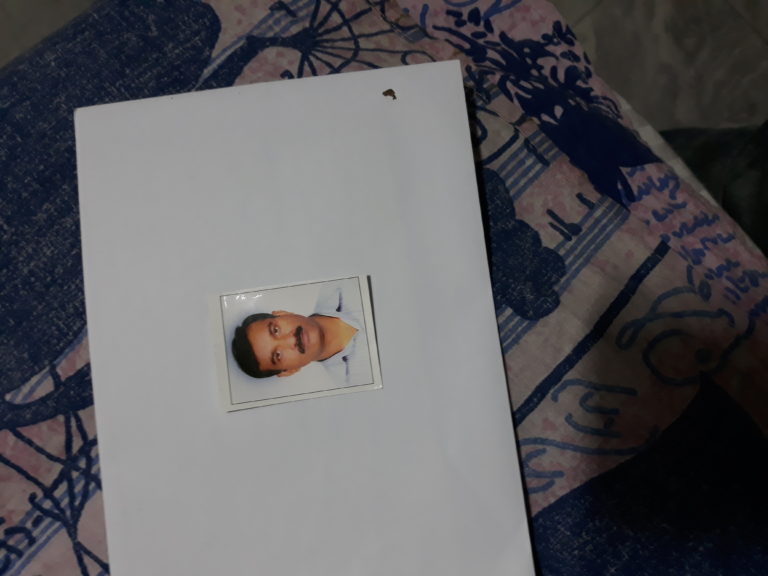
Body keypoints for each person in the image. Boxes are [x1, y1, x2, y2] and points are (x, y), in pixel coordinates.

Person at [231, 279, 372, 384]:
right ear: (289, 371)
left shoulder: (342, 285)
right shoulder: (354, 380)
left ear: (282, 313)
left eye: (275, 330)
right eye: (278, 355)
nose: (291, 339)